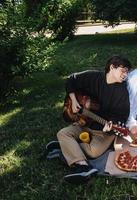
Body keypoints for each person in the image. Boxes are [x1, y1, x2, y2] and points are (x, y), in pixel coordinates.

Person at [46, 55, 132, 183]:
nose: (125, 74)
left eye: (127, 71)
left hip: (103, 131)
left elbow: (121, 116)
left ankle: (66, 148)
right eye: (123, 70)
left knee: (93, 152)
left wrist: (111, 127)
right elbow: (71, 79)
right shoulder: (93, 77)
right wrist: (74, 100)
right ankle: (83, 167)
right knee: (62, 133)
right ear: (112, 67)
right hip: (84, 122)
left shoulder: (122, 91)